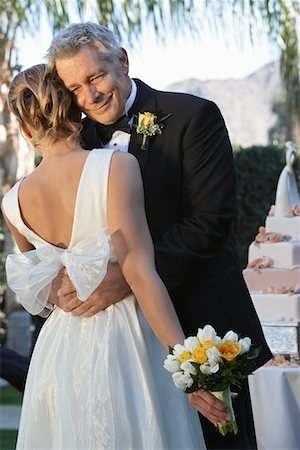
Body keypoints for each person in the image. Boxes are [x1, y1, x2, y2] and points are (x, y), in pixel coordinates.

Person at [45, 22, 273, 450]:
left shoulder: (193, 116)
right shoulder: (75, 144)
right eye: (74, 88)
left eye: (96, 77)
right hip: (118, 342)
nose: (89, 97)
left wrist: (127, 275)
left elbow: (209, 224)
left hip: (201, 328)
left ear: (123, 61)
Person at [2, 63, 216, 449]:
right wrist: (190, 369)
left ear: (26, 127)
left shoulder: (12, 202)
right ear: (75, 109)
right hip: (128, 338)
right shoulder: (115, 166)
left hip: (60, 349)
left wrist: (62, 289)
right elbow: (140, 272)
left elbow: (39, 282)